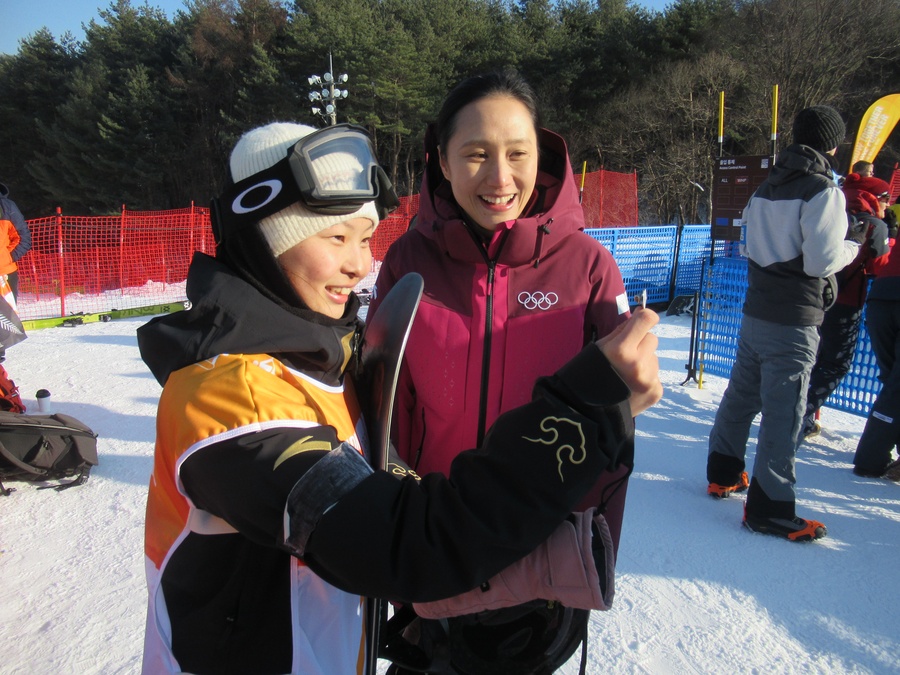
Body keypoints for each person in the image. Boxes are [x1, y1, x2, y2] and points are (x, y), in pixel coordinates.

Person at [136, 121, 661, 674]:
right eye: (334, 238)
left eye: (364, 239)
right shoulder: (230, 401)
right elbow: (408, 546)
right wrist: (584, 410)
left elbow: (377, 510)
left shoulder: (317, 366)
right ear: (266, 240)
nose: (359, 264)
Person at [367, 70, 635, 671]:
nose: (499, 178)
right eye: (476, 155)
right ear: (442, 159)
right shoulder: (407, 263)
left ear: (541, 153)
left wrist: (580, 555)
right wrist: (399, 540)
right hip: (434, 550)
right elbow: (388, 416)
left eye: (517, 153)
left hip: (542, 567)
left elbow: (613, 441)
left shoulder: (589, 269)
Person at [706, 105, 861, 542]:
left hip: (757, 308)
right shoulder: (823, 191)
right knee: (783, 412)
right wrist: (854, 246)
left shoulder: (764, 187)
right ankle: (769, 508)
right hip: (793, 317)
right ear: (832, 144)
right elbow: (822, 260)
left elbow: (749, 244)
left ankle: (723, 472)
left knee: (741, 394)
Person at [801, 173, 891, 438]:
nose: (888, 204)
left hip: (814, 296)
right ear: (875, 197)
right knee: (835, 364)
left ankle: (795, 411)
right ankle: (800, 413)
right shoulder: (875, 224)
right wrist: (890, 241)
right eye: (886, 198)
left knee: (811, 359)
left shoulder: (830, 209)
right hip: (848, 300)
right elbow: (880, 266)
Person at [853, 208, 900, 481]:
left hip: (881, 297)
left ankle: (874, 455)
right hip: (885, 297)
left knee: (892, 381)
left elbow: (883, 257)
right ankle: (871, 457)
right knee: (895, 385)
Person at [0, 182, 32, 299]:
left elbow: (23, 239)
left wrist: (5, 258)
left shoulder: (6, 207)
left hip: (4, 274)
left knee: (6, 317)